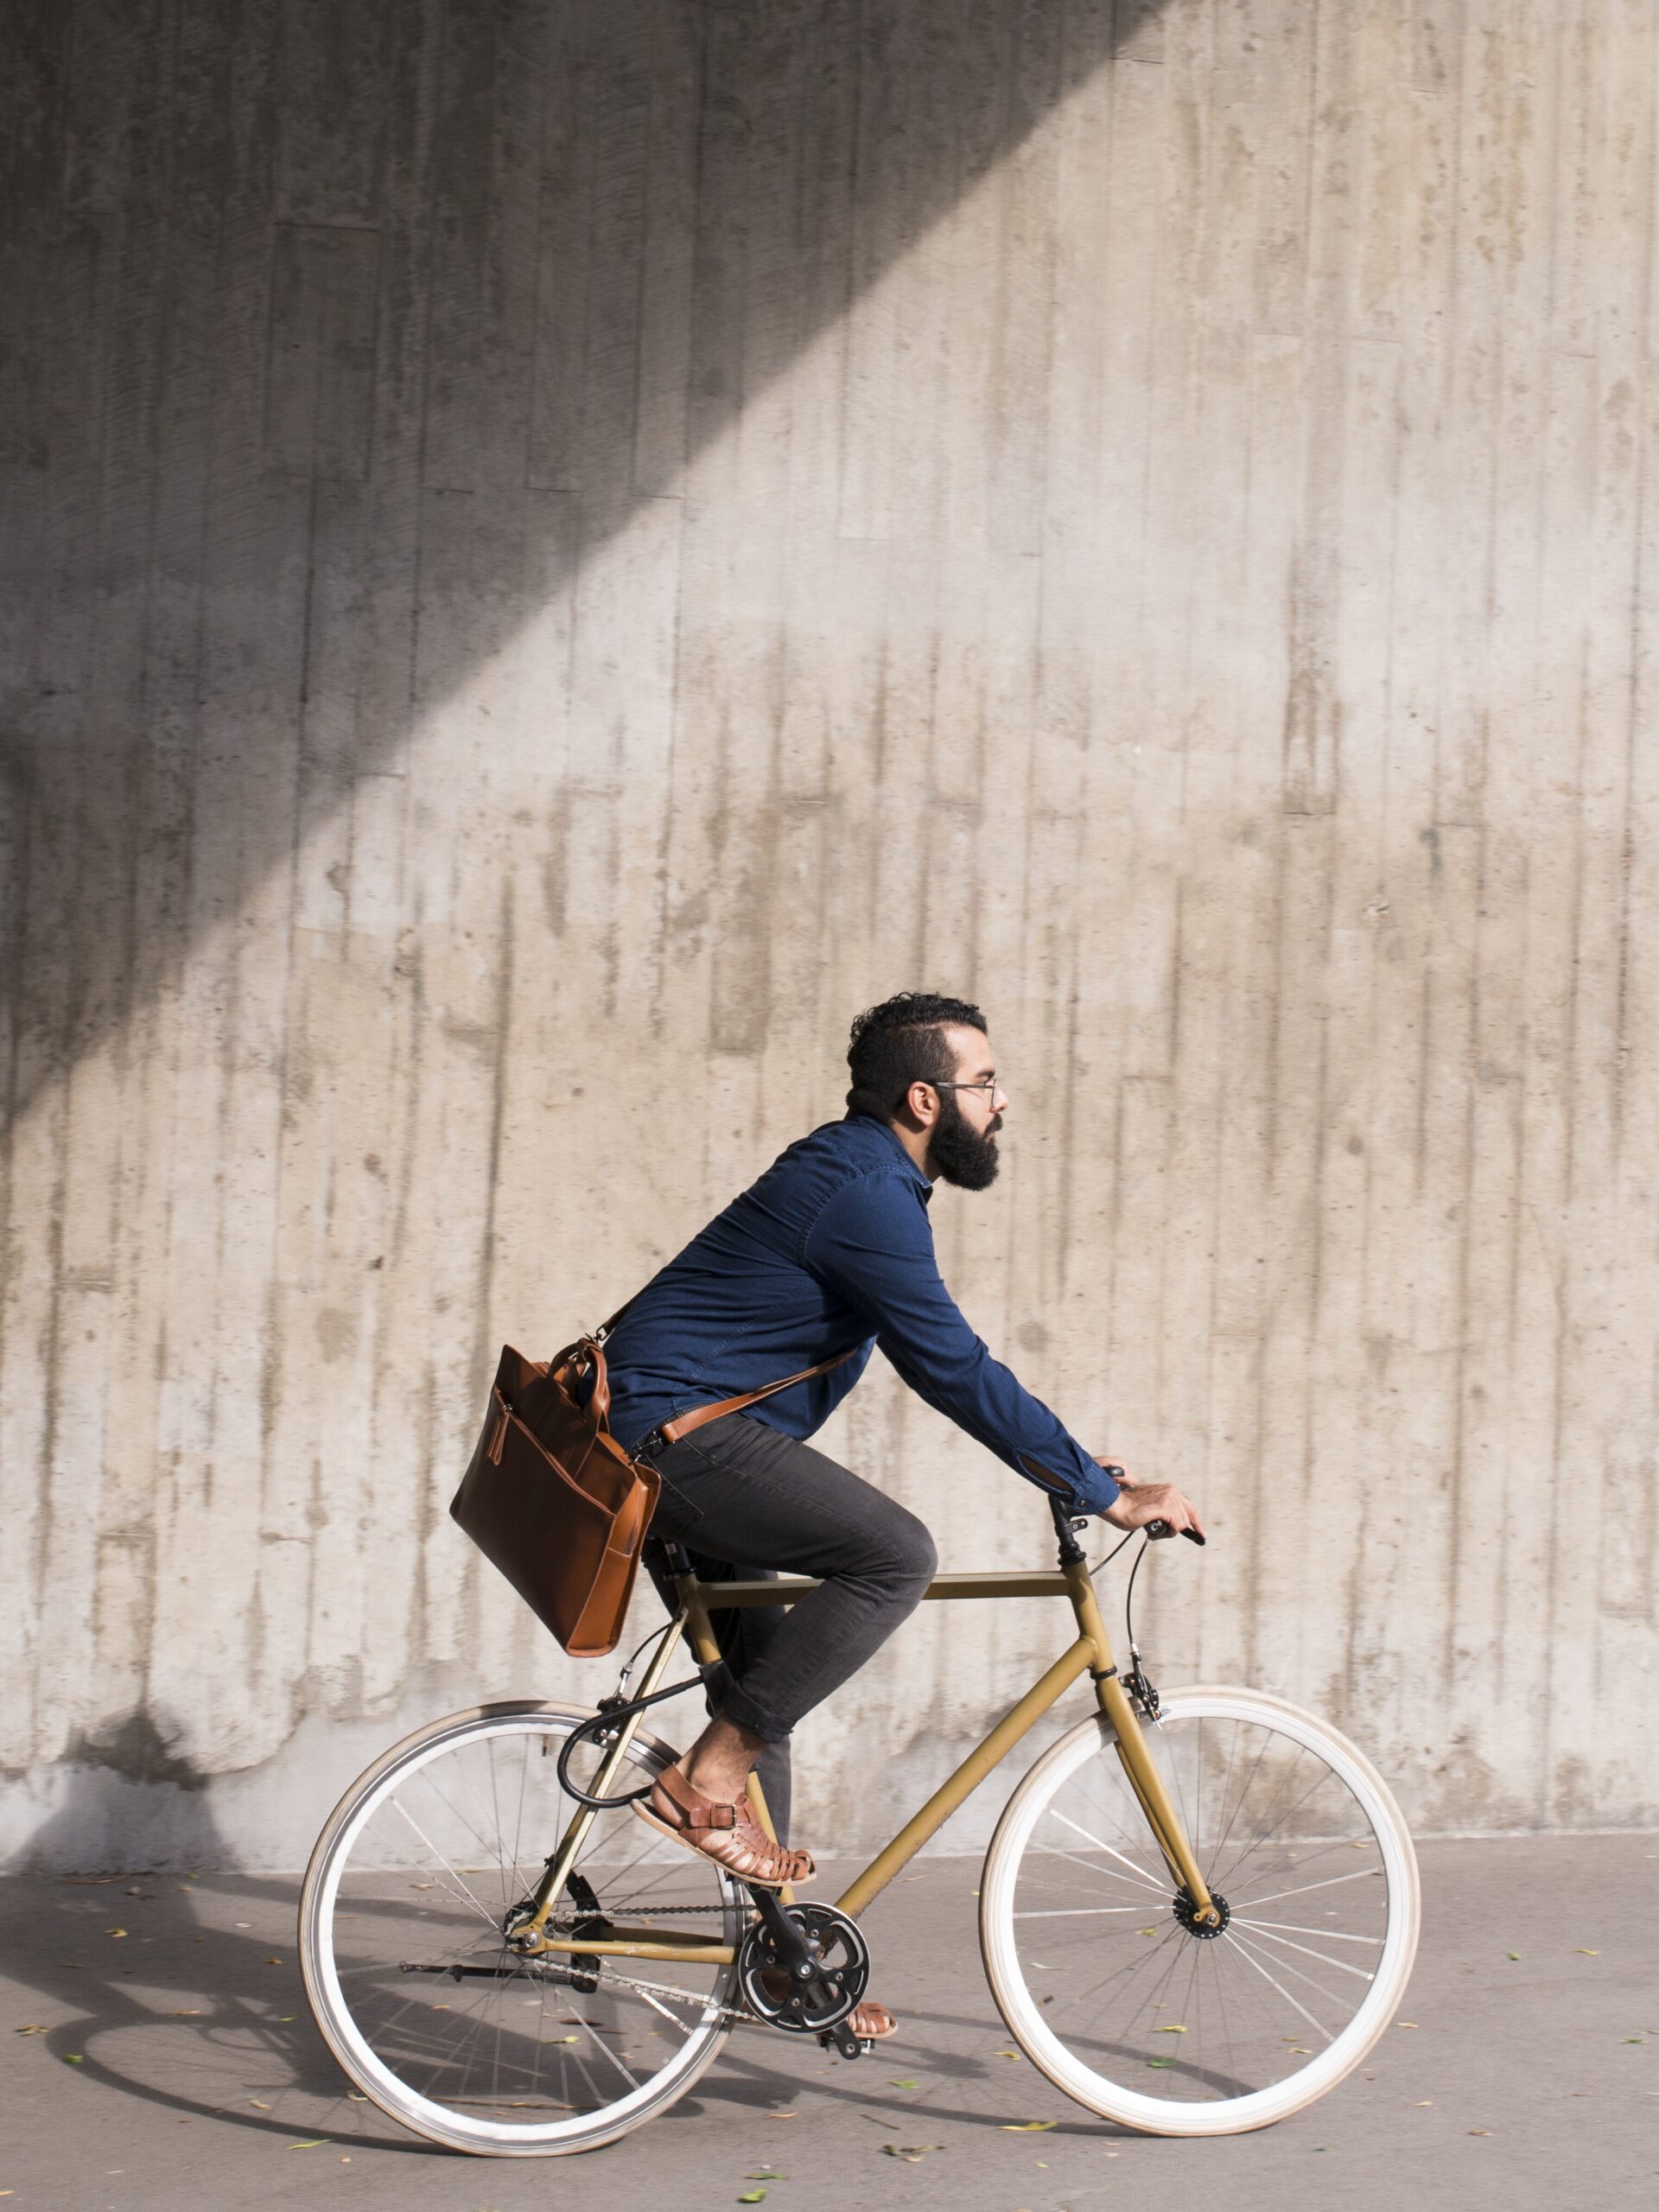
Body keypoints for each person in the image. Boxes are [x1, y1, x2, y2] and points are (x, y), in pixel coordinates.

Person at [601, 992, 1205, 2041]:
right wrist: (1102, 1490)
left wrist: (1066, 1464)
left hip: (663, 1436)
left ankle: (782, 1966)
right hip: (668, 1439)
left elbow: (949, 1364)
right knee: (894, 1555)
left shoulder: (861, 1176)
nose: (1003, 1100)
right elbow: (952, 1364)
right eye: (985, 1083)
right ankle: (703, 1781)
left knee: (763, 1695)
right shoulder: (863, 1192)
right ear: (925, 1098)